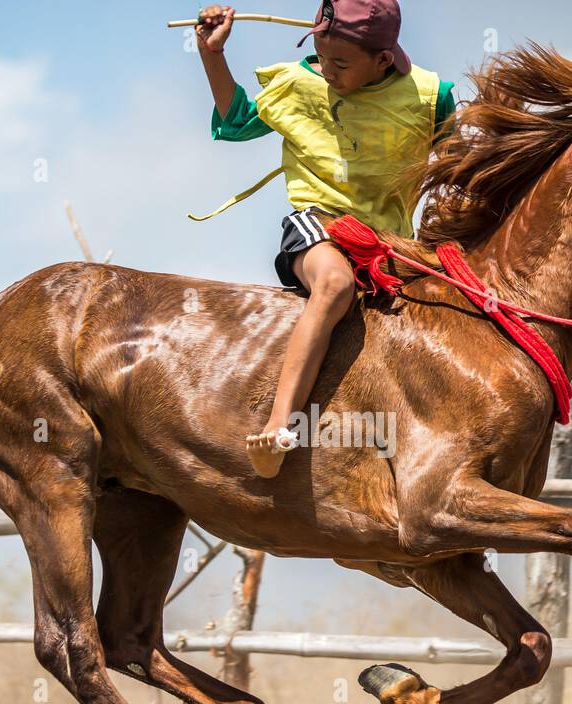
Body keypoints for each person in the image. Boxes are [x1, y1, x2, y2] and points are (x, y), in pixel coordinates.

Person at [195, 1, 455, 478]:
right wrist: (213, 54)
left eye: (340, 63)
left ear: (384, 59)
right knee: (335, 284)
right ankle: (278, 426)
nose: (326, 70)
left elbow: (458, 164)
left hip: (394, 246)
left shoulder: (431, 95)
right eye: (320, 54)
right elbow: (235, 122)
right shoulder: (298, 83)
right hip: (318, 228)